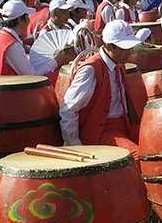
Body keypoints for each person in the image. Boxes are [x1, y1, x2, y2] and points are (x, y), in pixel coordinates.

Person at [59, 20, 142, 153]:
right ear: (110, 46)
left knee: (158, 146)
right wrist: (75, 144)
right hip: (101, 131)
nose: (130, 52)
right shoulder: (91, 69)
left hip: (123, 125)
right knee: (137, 157)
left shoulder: (118, 64)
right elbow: (69, 108)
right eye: (125, 48)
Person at [0, 0, 47, 76]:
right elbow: (32, 76)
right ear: (20, 20)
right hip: (7, 86)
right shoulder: (12, 45)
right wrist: (56, 62)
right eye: (27, 17)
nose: (29, 20)